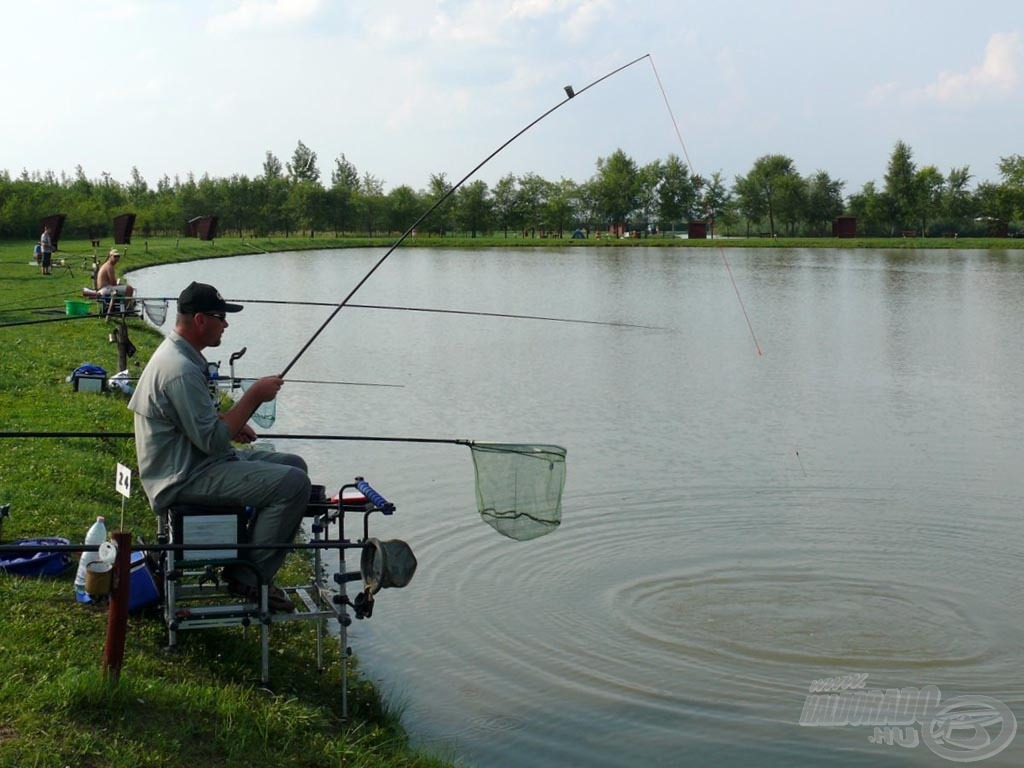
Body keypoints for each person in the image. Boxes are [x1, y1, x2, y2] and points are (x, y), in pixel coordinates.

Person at [128, 282, 310, 612]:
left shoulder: (182, 356)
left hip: (196, 460)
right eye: (221, 317)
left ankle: (246, 561)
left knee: (295, 464)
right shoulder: (179, 370)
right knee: (293, 484)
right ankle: (250, 580)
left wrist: (233, 424)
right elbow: (212, 439)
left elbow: (202, 424)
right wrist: (253, 396)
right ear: (200, 320)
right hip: (182, 477)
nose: (226, 324)